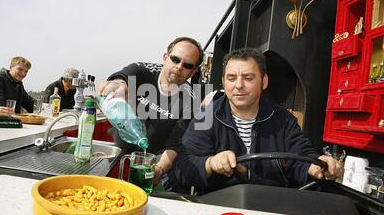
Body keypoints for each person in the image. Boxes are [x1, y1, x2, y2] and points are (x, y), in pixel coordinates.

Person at [169, 48, 343, 194]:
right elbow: (183, 167)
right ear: (223, 82)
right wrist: (210, 164)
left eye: (248, 78)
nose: (239, 85)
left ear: (264, 81)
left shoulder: (283, 120)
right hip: (220, 207)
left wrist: (315, 167)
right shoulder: (206, 117)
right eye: (231, 78)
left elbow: (301, 156)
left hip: (273, 207)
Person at [97, 37, 204, 188]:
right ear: (165, 58)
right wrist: (117, 87)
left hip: (149, 159)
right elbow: (121, 79)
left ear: (193, 72)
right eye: (175, 59)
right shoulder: (143, 70)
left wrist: (158, 170)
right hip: (115, 148)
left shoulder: (191, 102)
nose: (179, 67)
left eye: (187, 65)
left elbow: (174, 146)